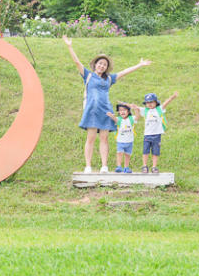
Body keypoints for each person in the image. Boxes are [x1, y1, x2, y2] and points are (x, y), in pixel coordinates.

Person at [62, 35, 151, 173]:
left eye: (104, 64)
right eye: (100, 63)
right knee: (90, 138)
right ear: (95, 64)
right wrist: (69, 46)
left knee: (104, 138)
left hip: (106, 111)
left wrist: (139, 65)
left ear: (106, 67)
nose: (102, 66)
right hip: (92, 111)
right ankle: (88, 166)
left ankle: (104, 166)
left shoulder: (109, 79)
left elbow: (124, 72)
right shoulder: (88, 75)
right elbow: (77, 62)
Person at [130, 91, 178, 174]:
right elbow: (136, 108)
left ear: (156, 102)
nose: (149, 104)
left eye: (151, 102)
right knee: (145, 151)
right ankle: (144, 166)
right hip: (147, 135)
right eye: (147, 103)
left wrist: (172, 97)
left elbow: (166, 103)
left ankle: (154, 167)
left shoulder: (159, 109)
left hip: (157, 134)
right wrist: (131, 106)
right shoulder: (145, 110)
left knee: (155, 151)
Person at [106, 103, 135, 173]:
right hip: (120, 141)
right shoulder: (119, 119)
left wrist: (135, 108)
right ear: (118, 112)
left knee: (128, 154)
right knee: (119, 153)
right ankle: (119, 166)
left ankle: (126, 167)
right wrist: (111, 115)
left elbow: (137, 116)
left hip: (129, 141)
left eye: (124, 110)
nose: (122, 112)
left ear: (128, 111)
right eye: (120, 110)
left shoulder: (131, 119)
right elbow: (114, 119)